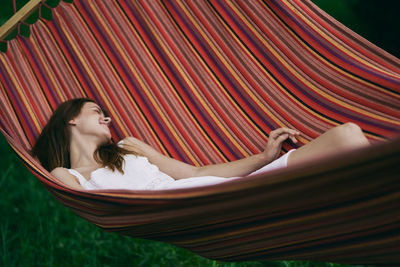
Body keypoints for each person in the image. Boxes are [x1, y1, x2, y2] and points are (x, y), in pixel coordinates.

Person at [32, 98, 370, 190]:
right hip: (182, 208)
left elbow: (196, 172)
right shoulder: (68, 177)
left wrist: (265, 157)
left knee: (349, 134)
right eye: (97, 112)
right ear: (70, 120)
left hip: (205, 194)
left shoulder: (129, 146)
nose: (107, 118)